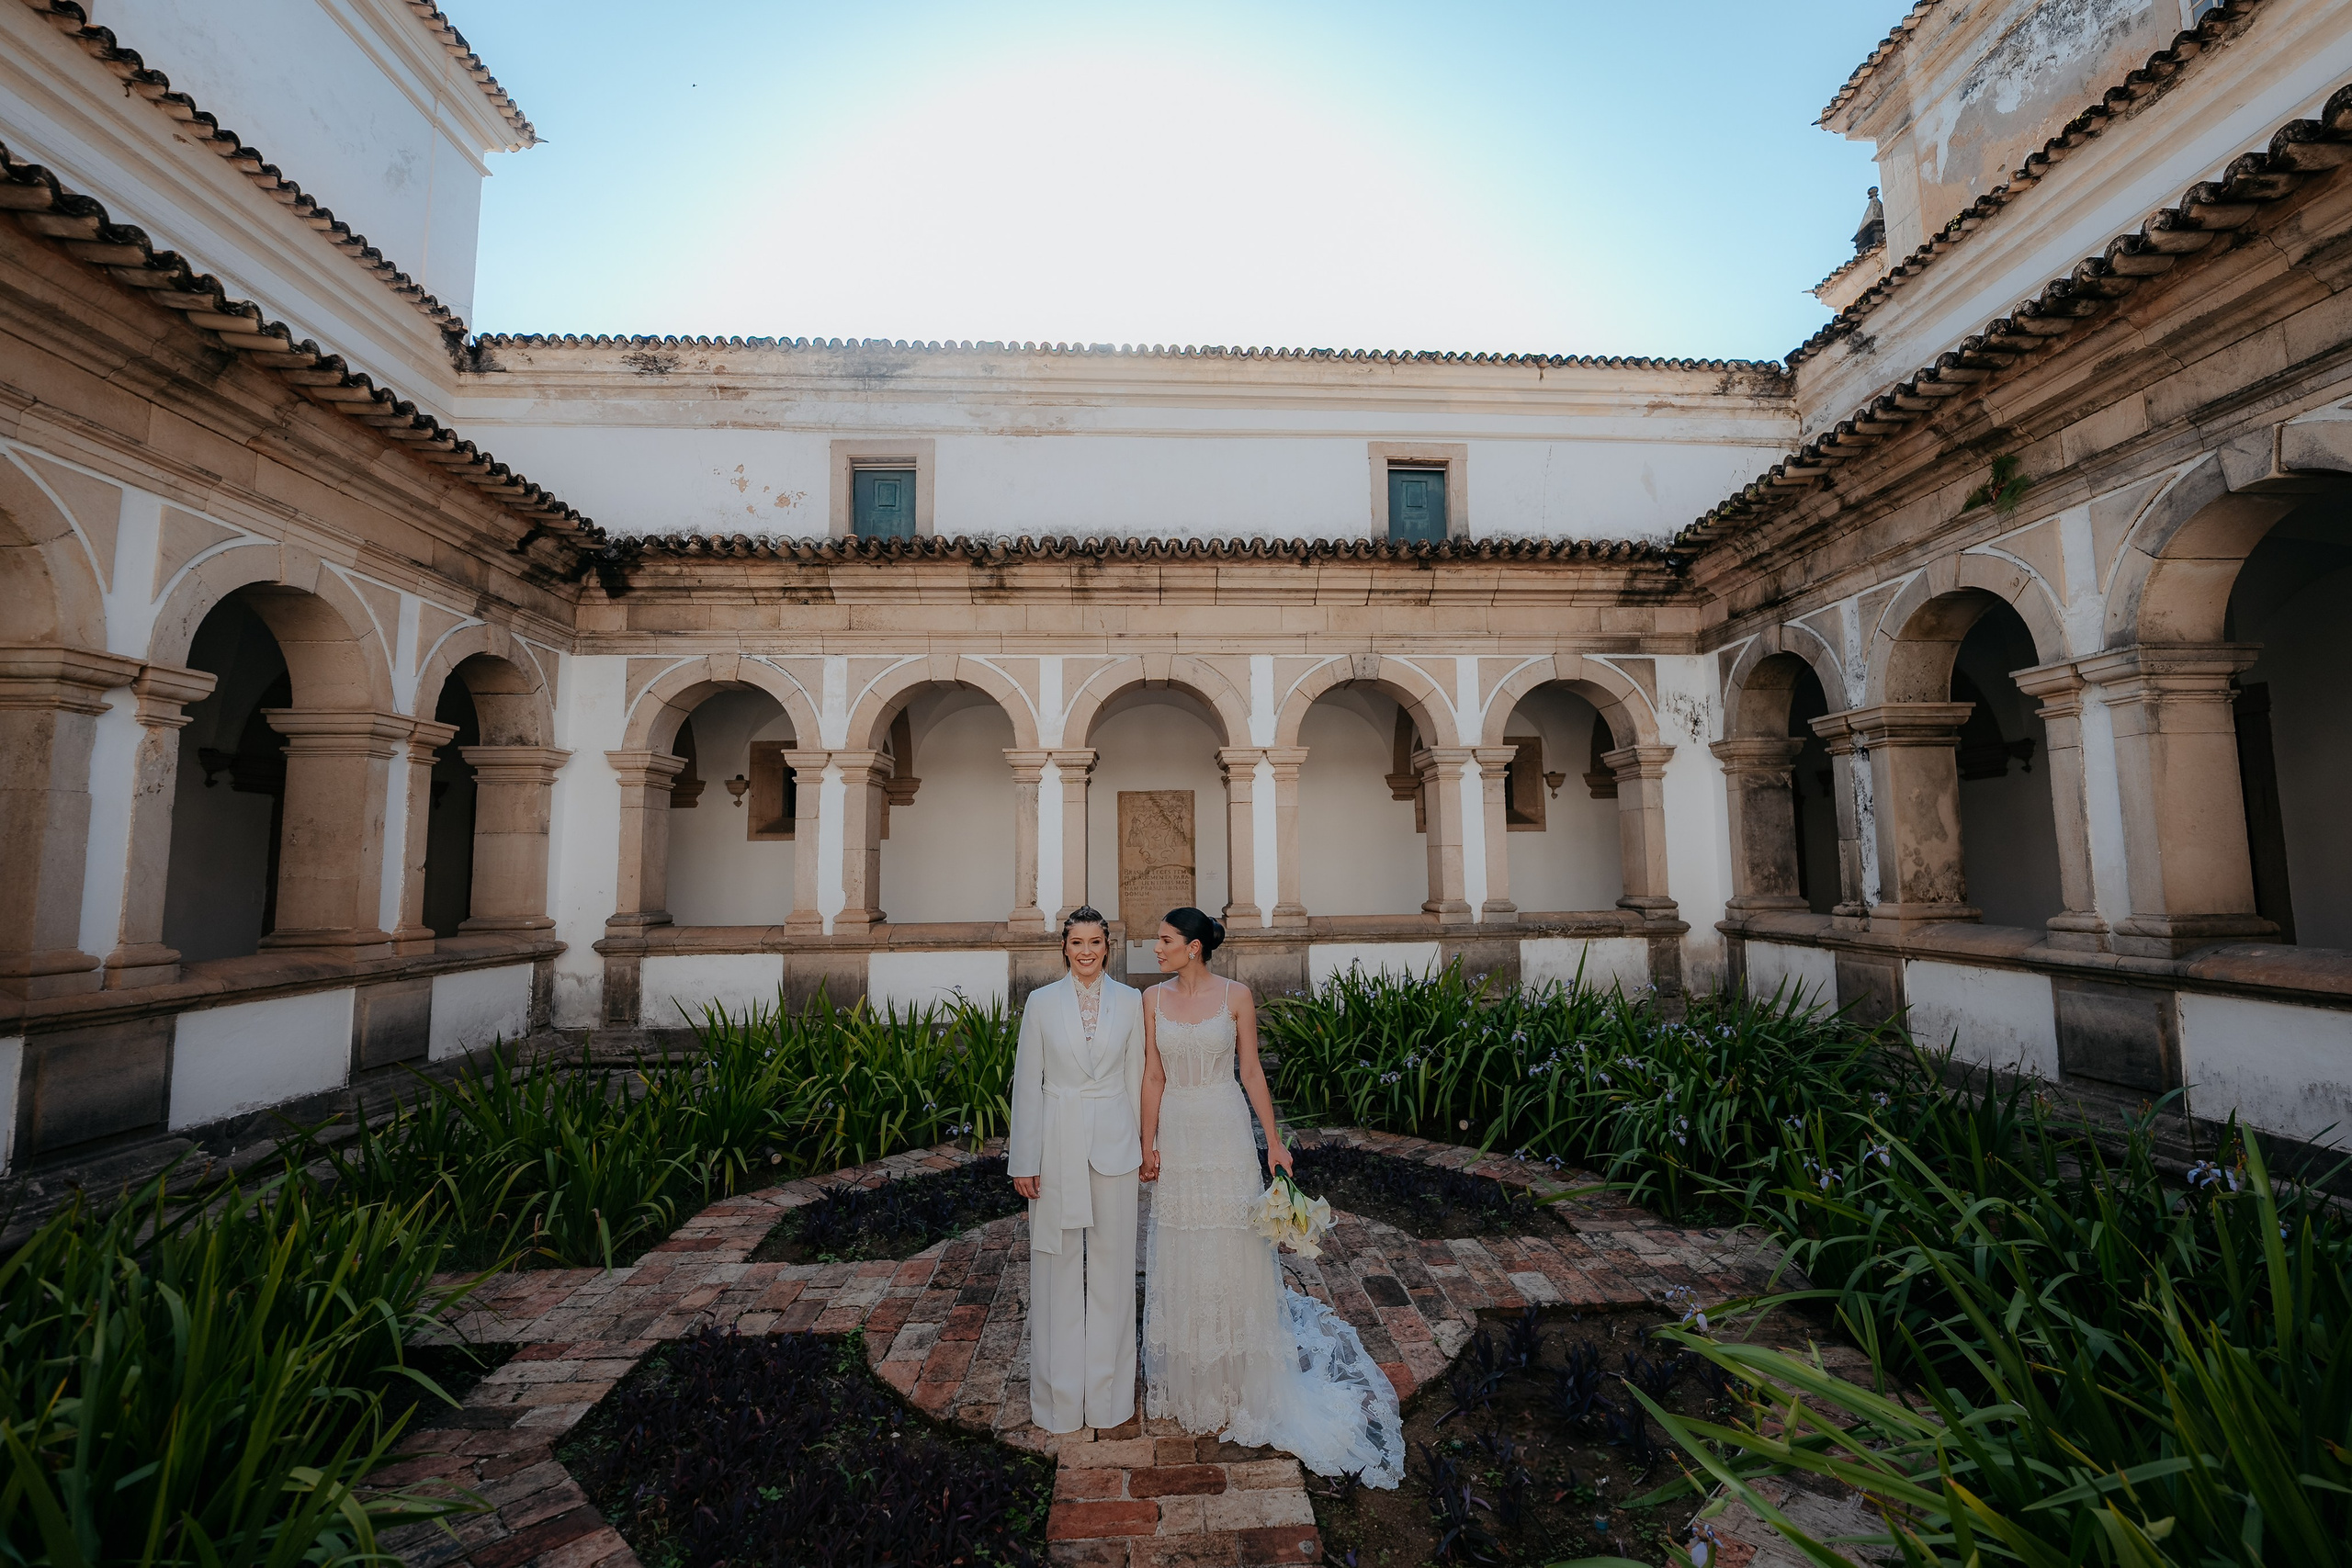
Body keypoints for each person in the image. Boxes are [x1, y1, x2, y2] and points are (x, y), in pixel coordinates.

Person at [1138, 907, 1404, 1485]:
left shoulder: (1237, 995)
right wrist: (1147, 1142)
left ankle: (1241, 1379)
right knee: (1185, 1246)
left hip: (1228, 1130)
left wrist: (1275, 1144)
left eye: (1164, 940)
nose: (1155, 948)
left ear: (1194, 947)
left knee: (1233, 1246)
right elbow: (1152, 1076)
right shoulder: (1152, 1000)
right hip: (1179, 1134)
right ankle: (1195, 1381)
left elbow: (1252, 1072)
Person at [1006, 905, 1146, 1434]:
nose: (1086, 952)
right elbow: (1027, 1084)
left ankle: (1110, 1399)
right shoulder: (1041, 1004)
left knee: (1112, 1271)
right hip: (1055, 1147)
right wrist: (1025, 1159)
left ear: (1107, 946)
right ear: (1064, 948)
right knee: (1055, 1270)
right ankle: (1058, 1402)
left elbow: (1137, 1080)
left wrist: (1146, 1147)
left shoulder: (1132, 1003)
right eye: (1076, 943)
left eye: (1095, 943)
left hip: (1114, 1148)